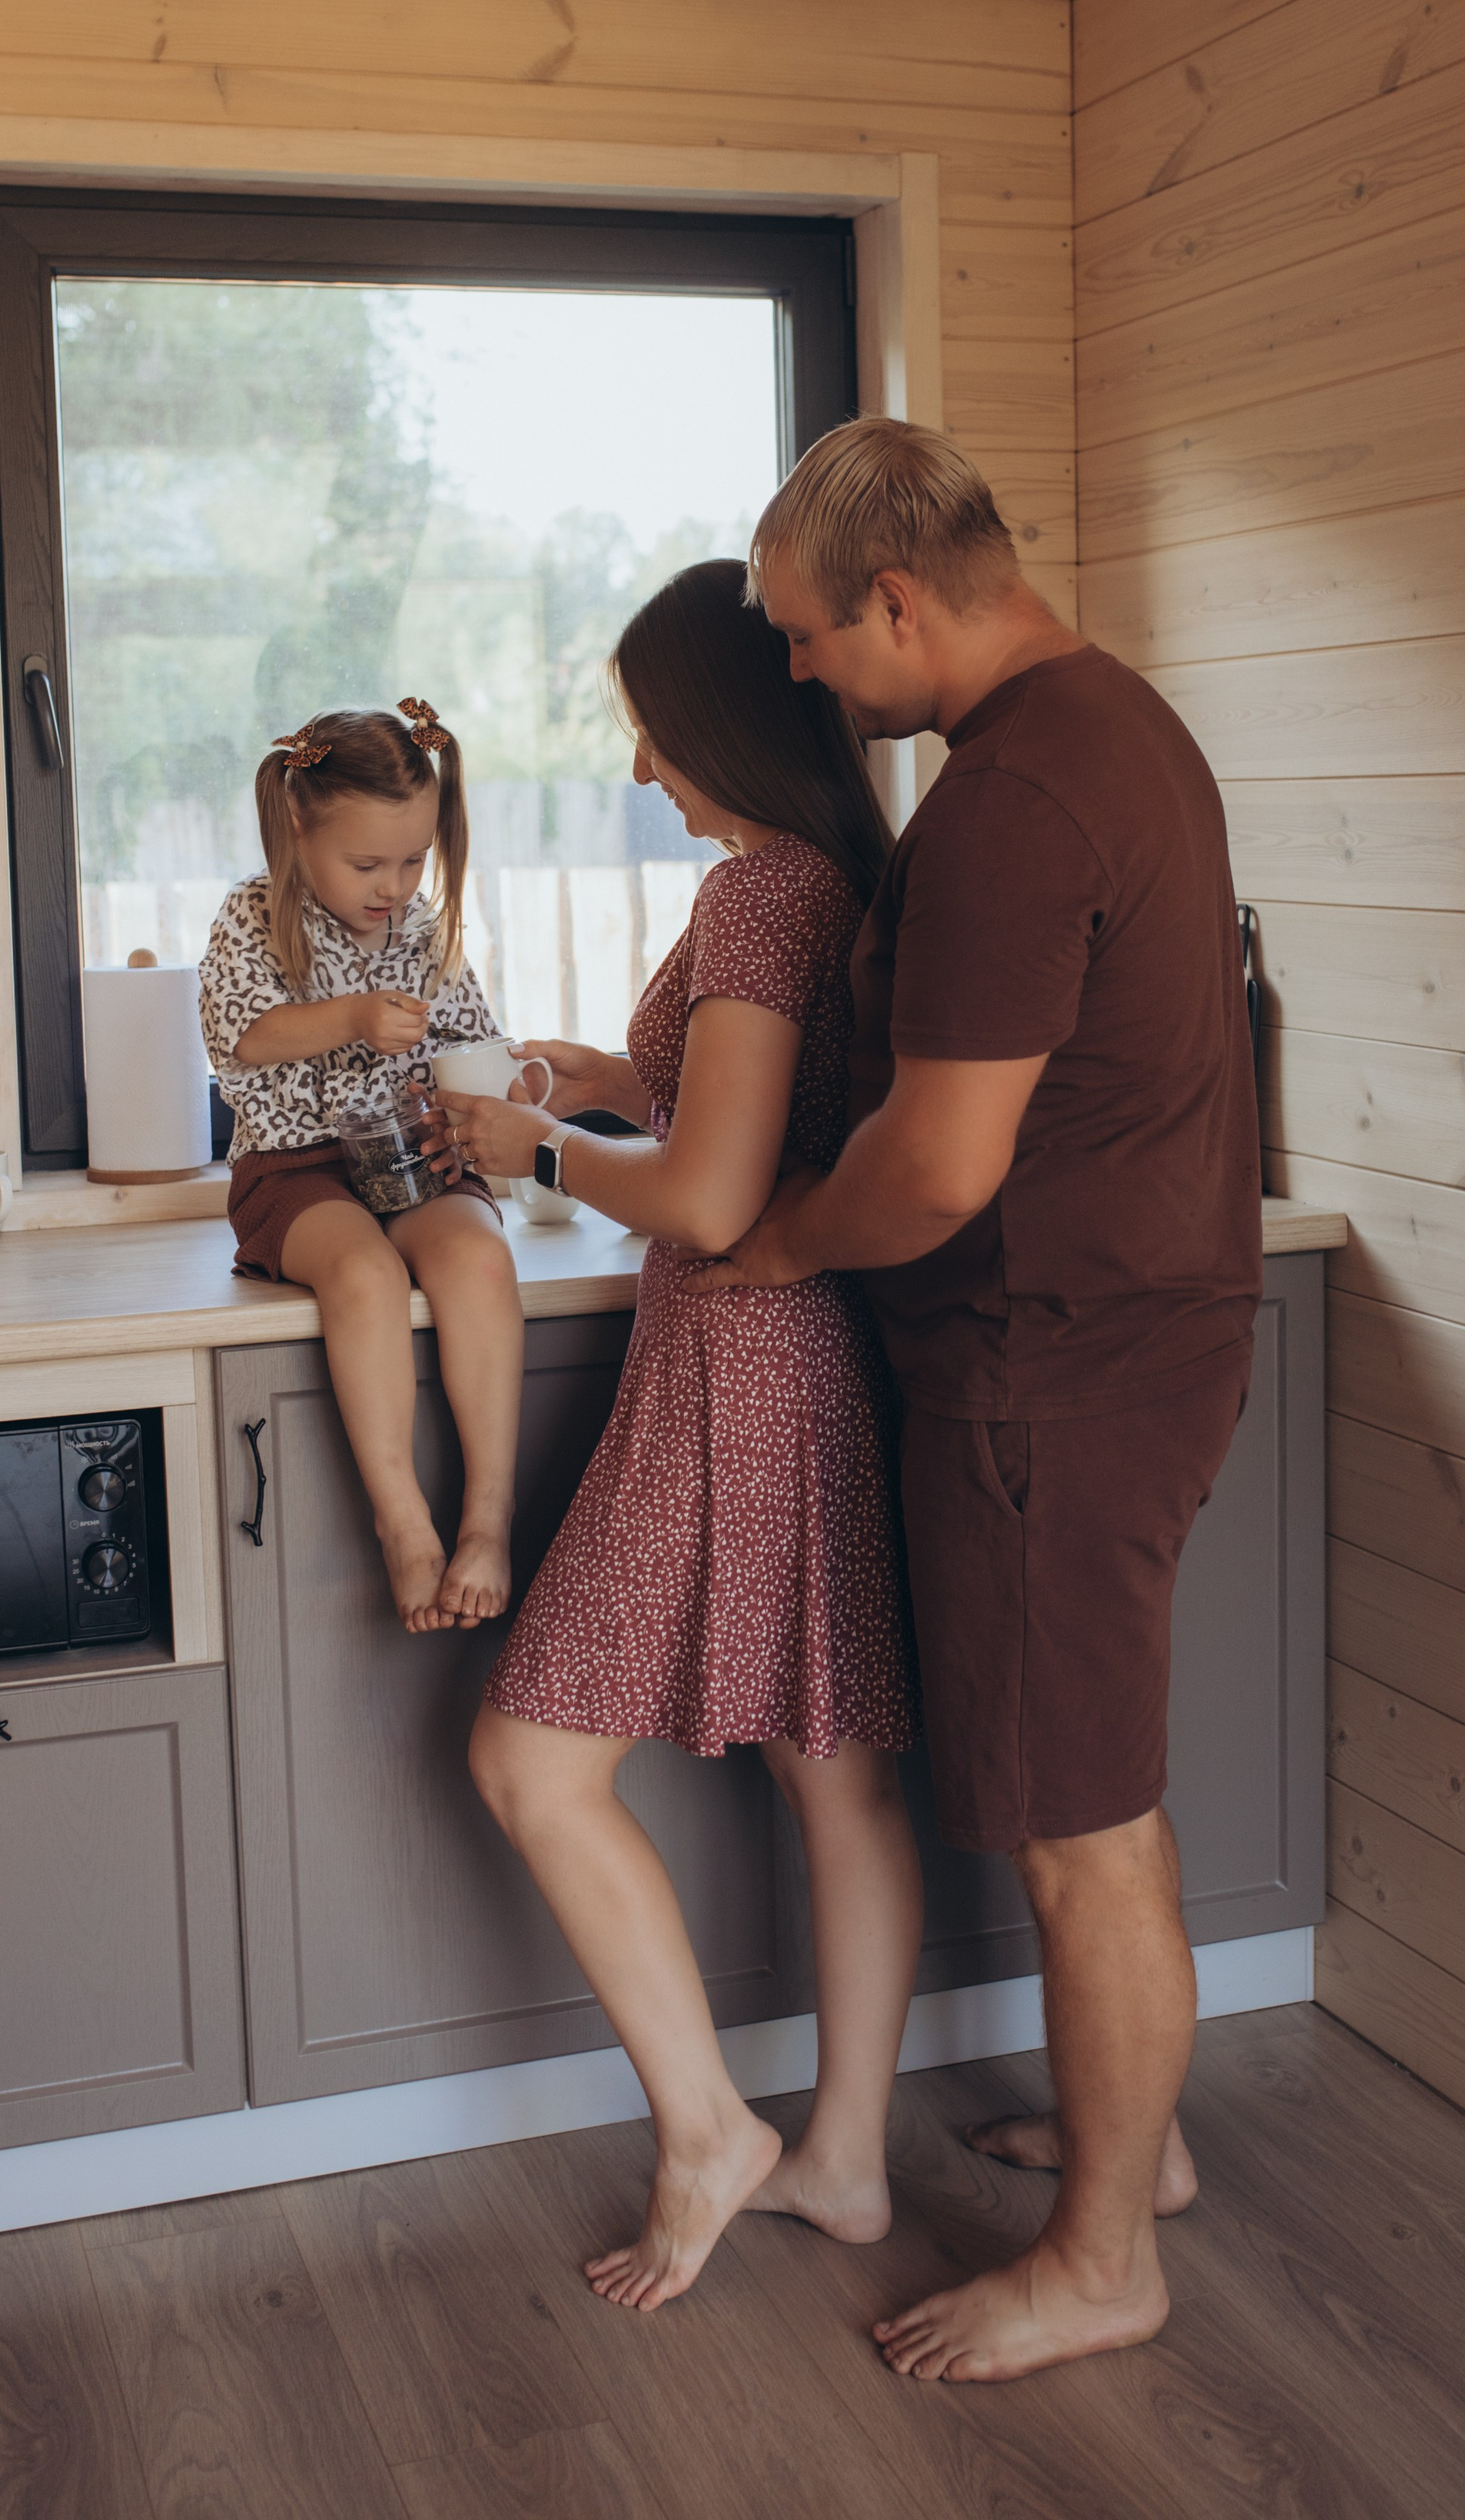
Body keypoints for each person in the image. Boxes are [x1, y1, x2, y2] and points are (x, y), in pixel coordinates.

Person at [700, 417, 1261, 2385]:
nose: (790, 672)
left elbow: (934, 1169)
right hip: (1142, 1334)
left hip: (1051, 1369)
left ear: (897, 599)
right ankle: (1147, 2150)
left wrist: (776, 1239)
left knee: (1078, 1838)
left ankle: (1101, 2254)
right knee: (1100, 1794)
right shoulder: (1123, 724)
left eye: (797, 632)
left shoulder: (1012, 802)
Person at [442, 559, 922, 2316]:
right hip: (824, 1363)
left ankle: (709, 2130)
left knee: (529, 1764)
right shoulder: (823, 878)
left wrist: (531, 1154)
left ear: (717, 720)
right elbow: (745, 1116)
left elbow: (712, 1197)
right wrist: (599, 1078)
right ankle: (850, 2164)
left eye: (648, 730)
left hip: (732, 1361)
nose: (639, 768)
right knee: (838, 1772)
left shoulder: (750, 896)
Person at [198, 699, 522, 1636]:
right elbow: (238, 1036)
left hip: (411, 1154)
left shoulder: (421, 929)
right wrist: (350, 1017)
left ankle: (488, 1519)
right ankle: (403, 1524)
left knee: (477, 1257)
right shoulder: (252, 914)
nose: (394, 885)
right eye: (368, 863)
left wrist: (501, 1079)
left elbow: (470, 1039)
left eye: (414, 860)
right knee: (363, 1273)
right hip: (294, 1169)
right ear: (297, 828)